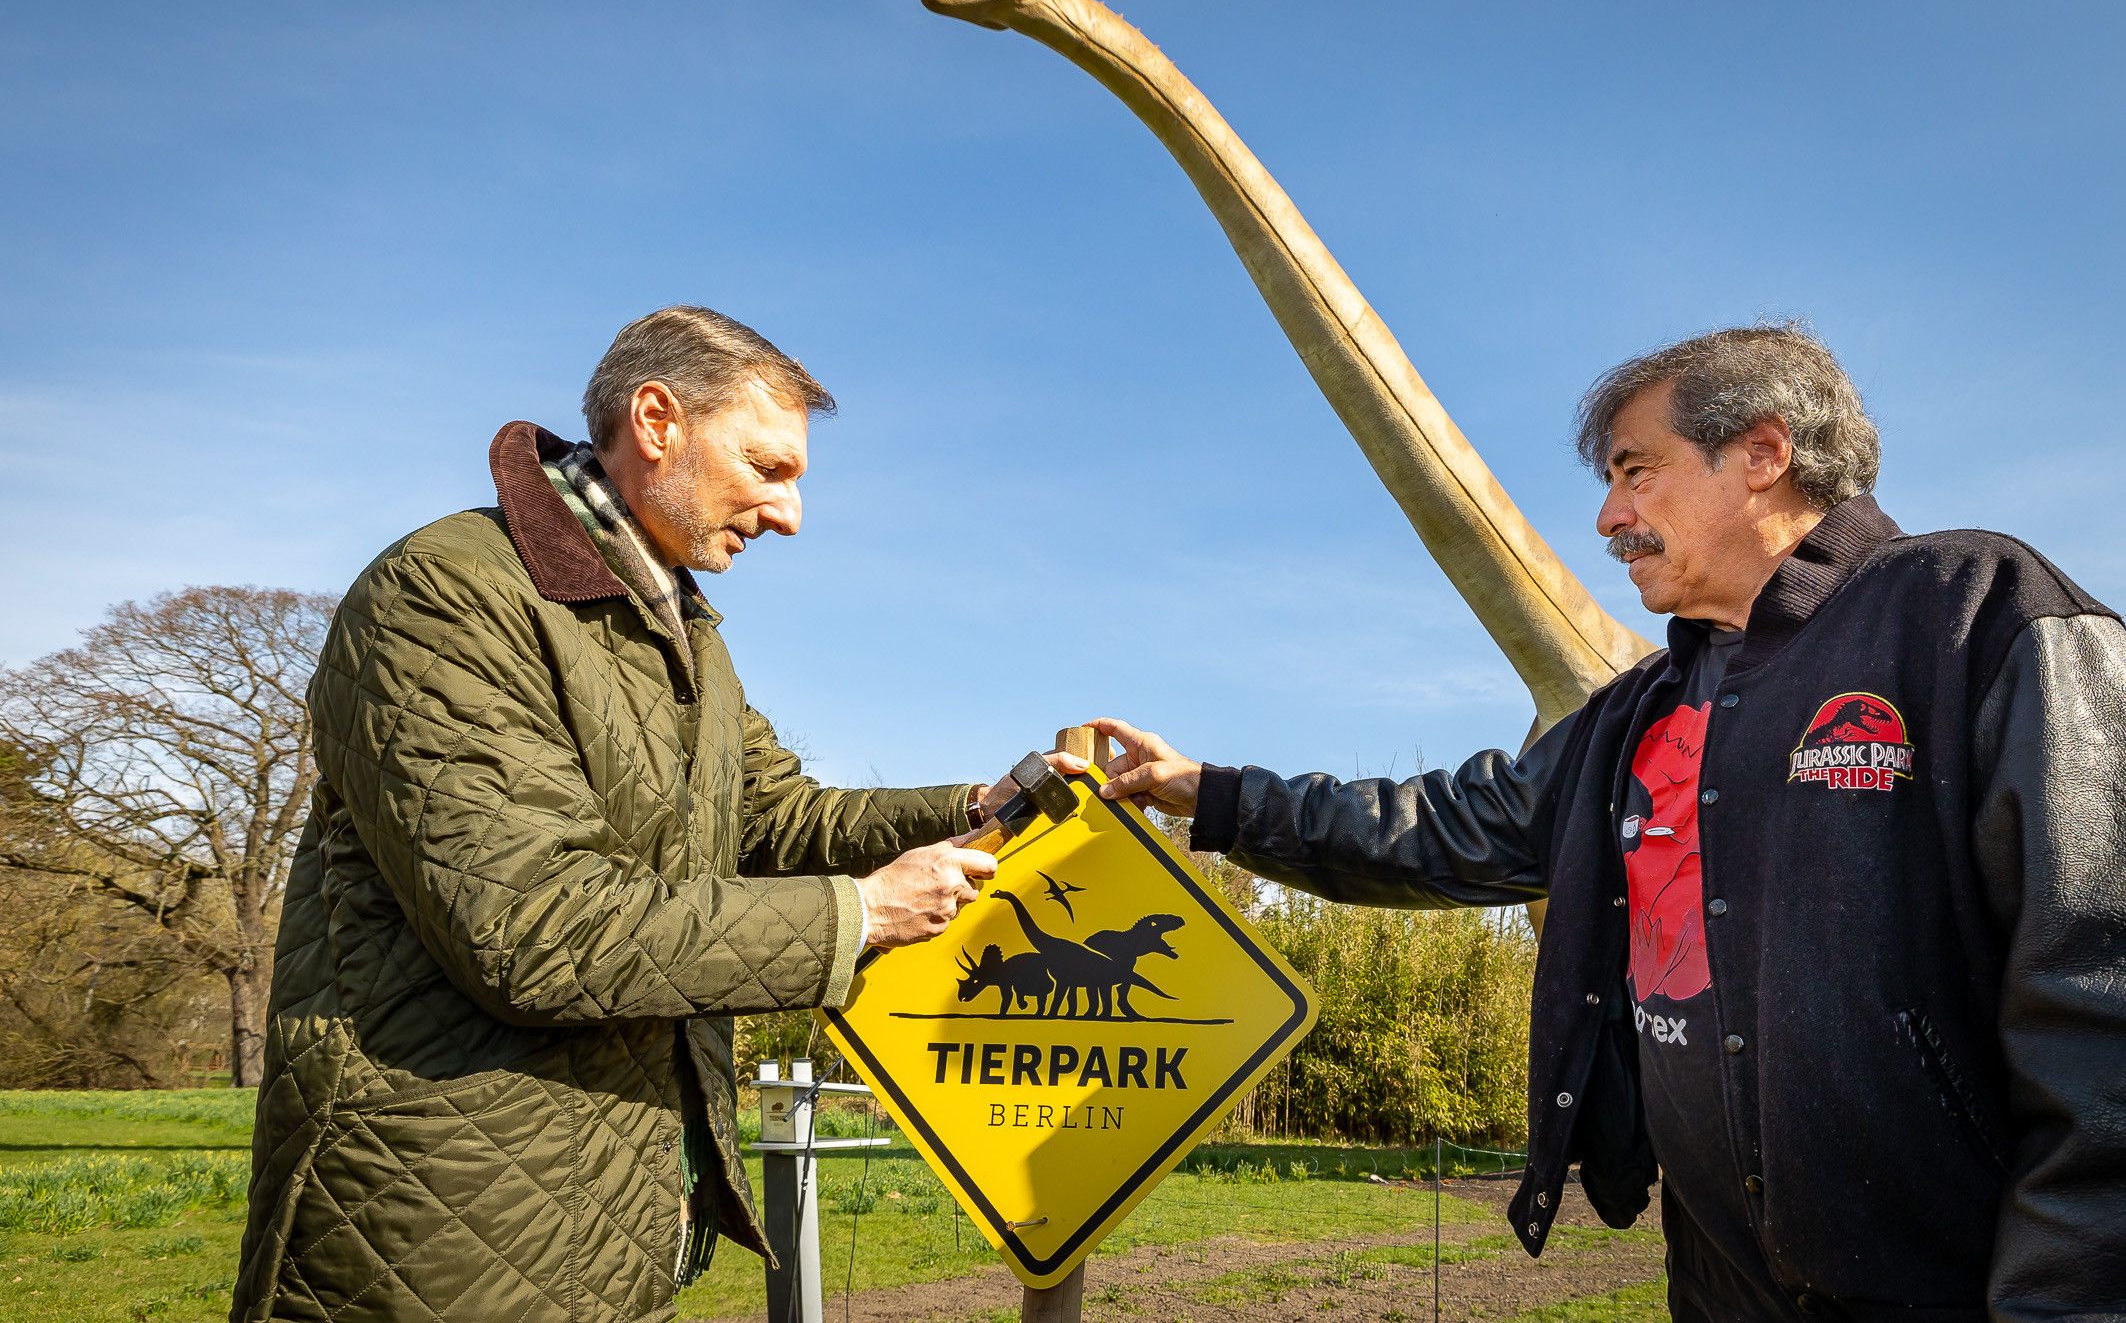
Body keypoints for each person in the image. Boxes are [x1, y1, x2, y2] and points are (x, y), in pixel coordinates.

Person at [1086, 326, 2126, 1321]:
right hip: (1720, 1290)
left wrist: (2071, 1296)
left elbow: (2096, 996)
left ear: (1762, 454)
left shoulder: (1975, 614)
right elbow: (1446, 825)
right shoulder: (1636, 712)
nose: (1606, 518)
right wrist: (1210, 794)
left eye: (1635, 472)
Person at [233, 306, 1017, 1322]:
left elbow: (776, 820)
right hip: (438, 1236)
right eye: (767, 467)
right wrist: (861, 915)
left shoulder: (684, 634)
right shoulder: (446, 594)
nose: (790, 515)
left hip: (609, 1222)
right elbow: (536, 926)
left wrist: (985, 805)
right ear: (656, 421)